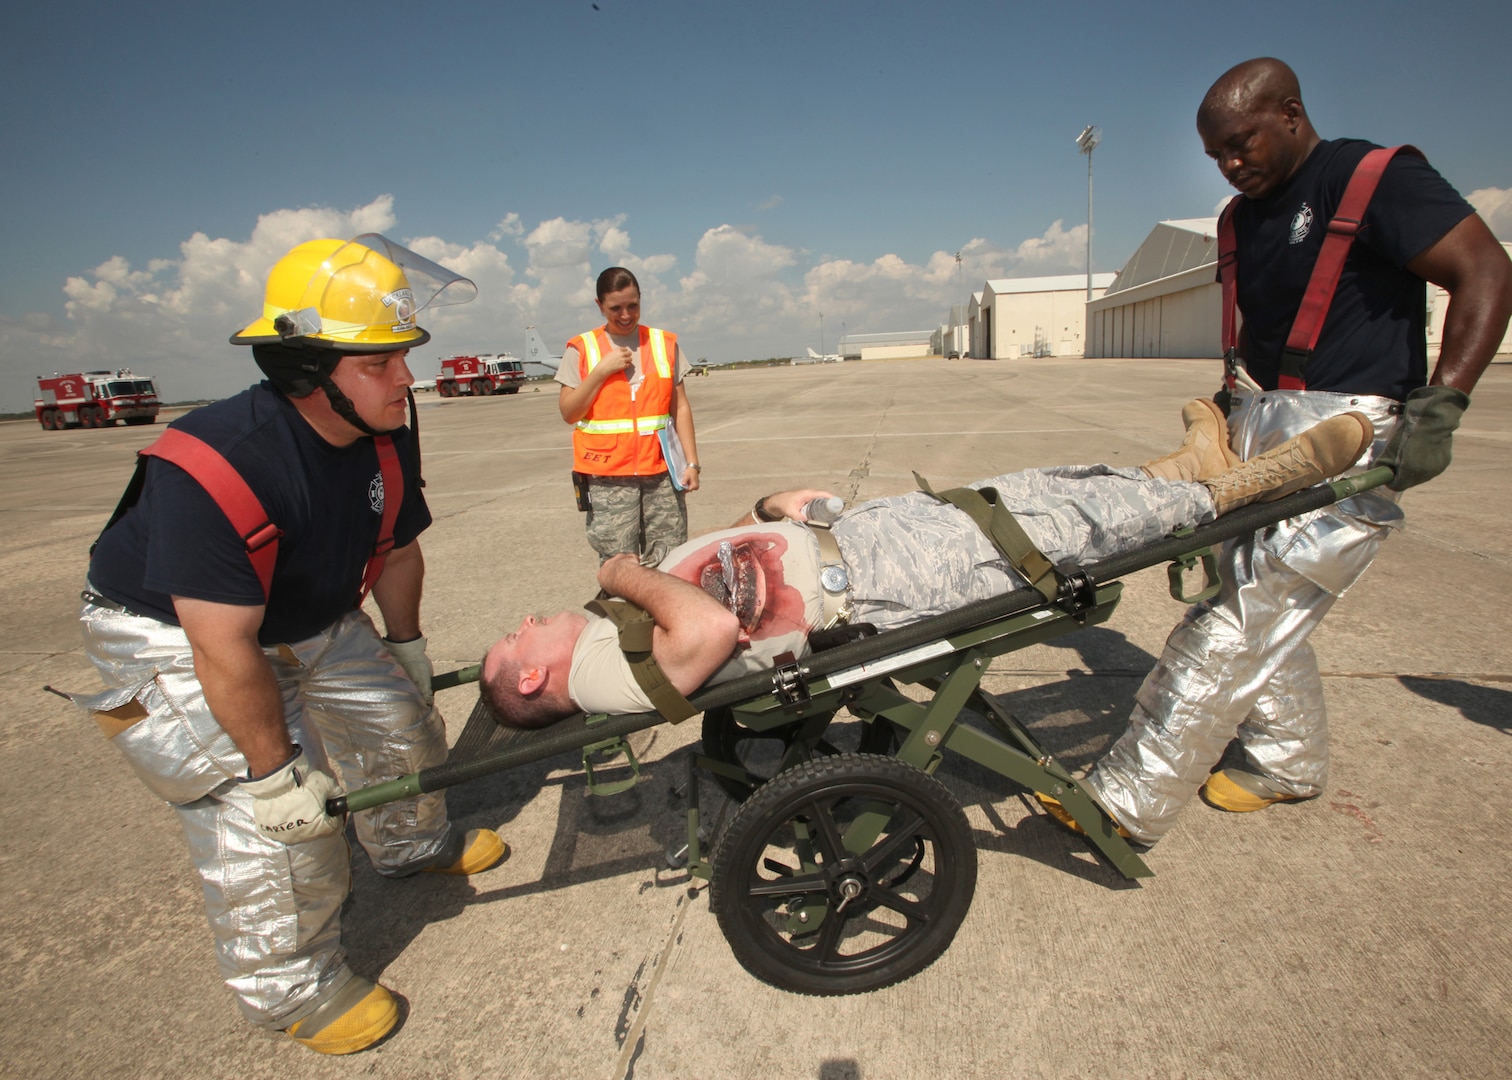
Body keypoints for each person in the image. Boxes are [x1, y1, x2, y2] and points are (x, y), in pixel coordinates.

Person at [74, 236, 508, 1055]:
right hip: (175, 632)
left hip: (301, 609)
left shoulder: (383, 433)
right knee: (272, 819)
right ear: (308, 372)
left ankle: (410, 843)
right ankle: (289, 990)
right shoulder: (213, 464)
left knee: (400, 725)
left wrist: (407, 651)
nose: (407, 378)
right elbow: (223, 645)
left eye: (403, 356)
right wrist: (275, 779)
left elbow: (399, 547)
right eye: (378, 363)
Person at [1062, 58, 1512, 846]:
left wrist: (1442, 407)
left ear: (1292, 114)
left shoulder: (1375, 179)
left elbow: (1485, 271)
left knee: (1236, 618)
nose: (1232, 165)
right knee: (1256, 596)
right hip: (1262, 426)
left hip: (1350, 434)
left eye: (1242, 144)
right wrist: (1225, 421)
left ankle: (1125, 800)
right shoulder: (1239, 219)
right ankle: (1287, 760)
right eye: (1217, 157)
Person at [480, 402, 1375, 727]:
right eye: (515, 638)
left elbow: (702, 571)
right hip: (874, 586)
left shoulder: (607, 637)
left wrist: (761, 513)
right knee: (1055, 533)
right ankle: (1250, 486)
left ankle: (1184, 469)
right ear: (530, 675)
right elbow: (711, 623)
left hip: (858, 545)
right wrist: (619, 573)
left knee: (1034, 492)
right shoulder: (601, 671)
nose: (525, 622)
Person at [557, 266, 701, 564]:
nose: (625, 315)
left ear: (640, 299)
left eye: (632, 305)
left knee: (670, 561)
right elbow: (569, 412)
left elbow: (681, 406)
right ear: (599, 306)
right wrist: (600, 372)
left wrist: (692, 463)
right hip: (608, 477)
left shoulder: (664, 344)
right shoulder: (581, 349)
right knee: (618, 566)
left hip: (661, 473)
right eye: (615, 308)